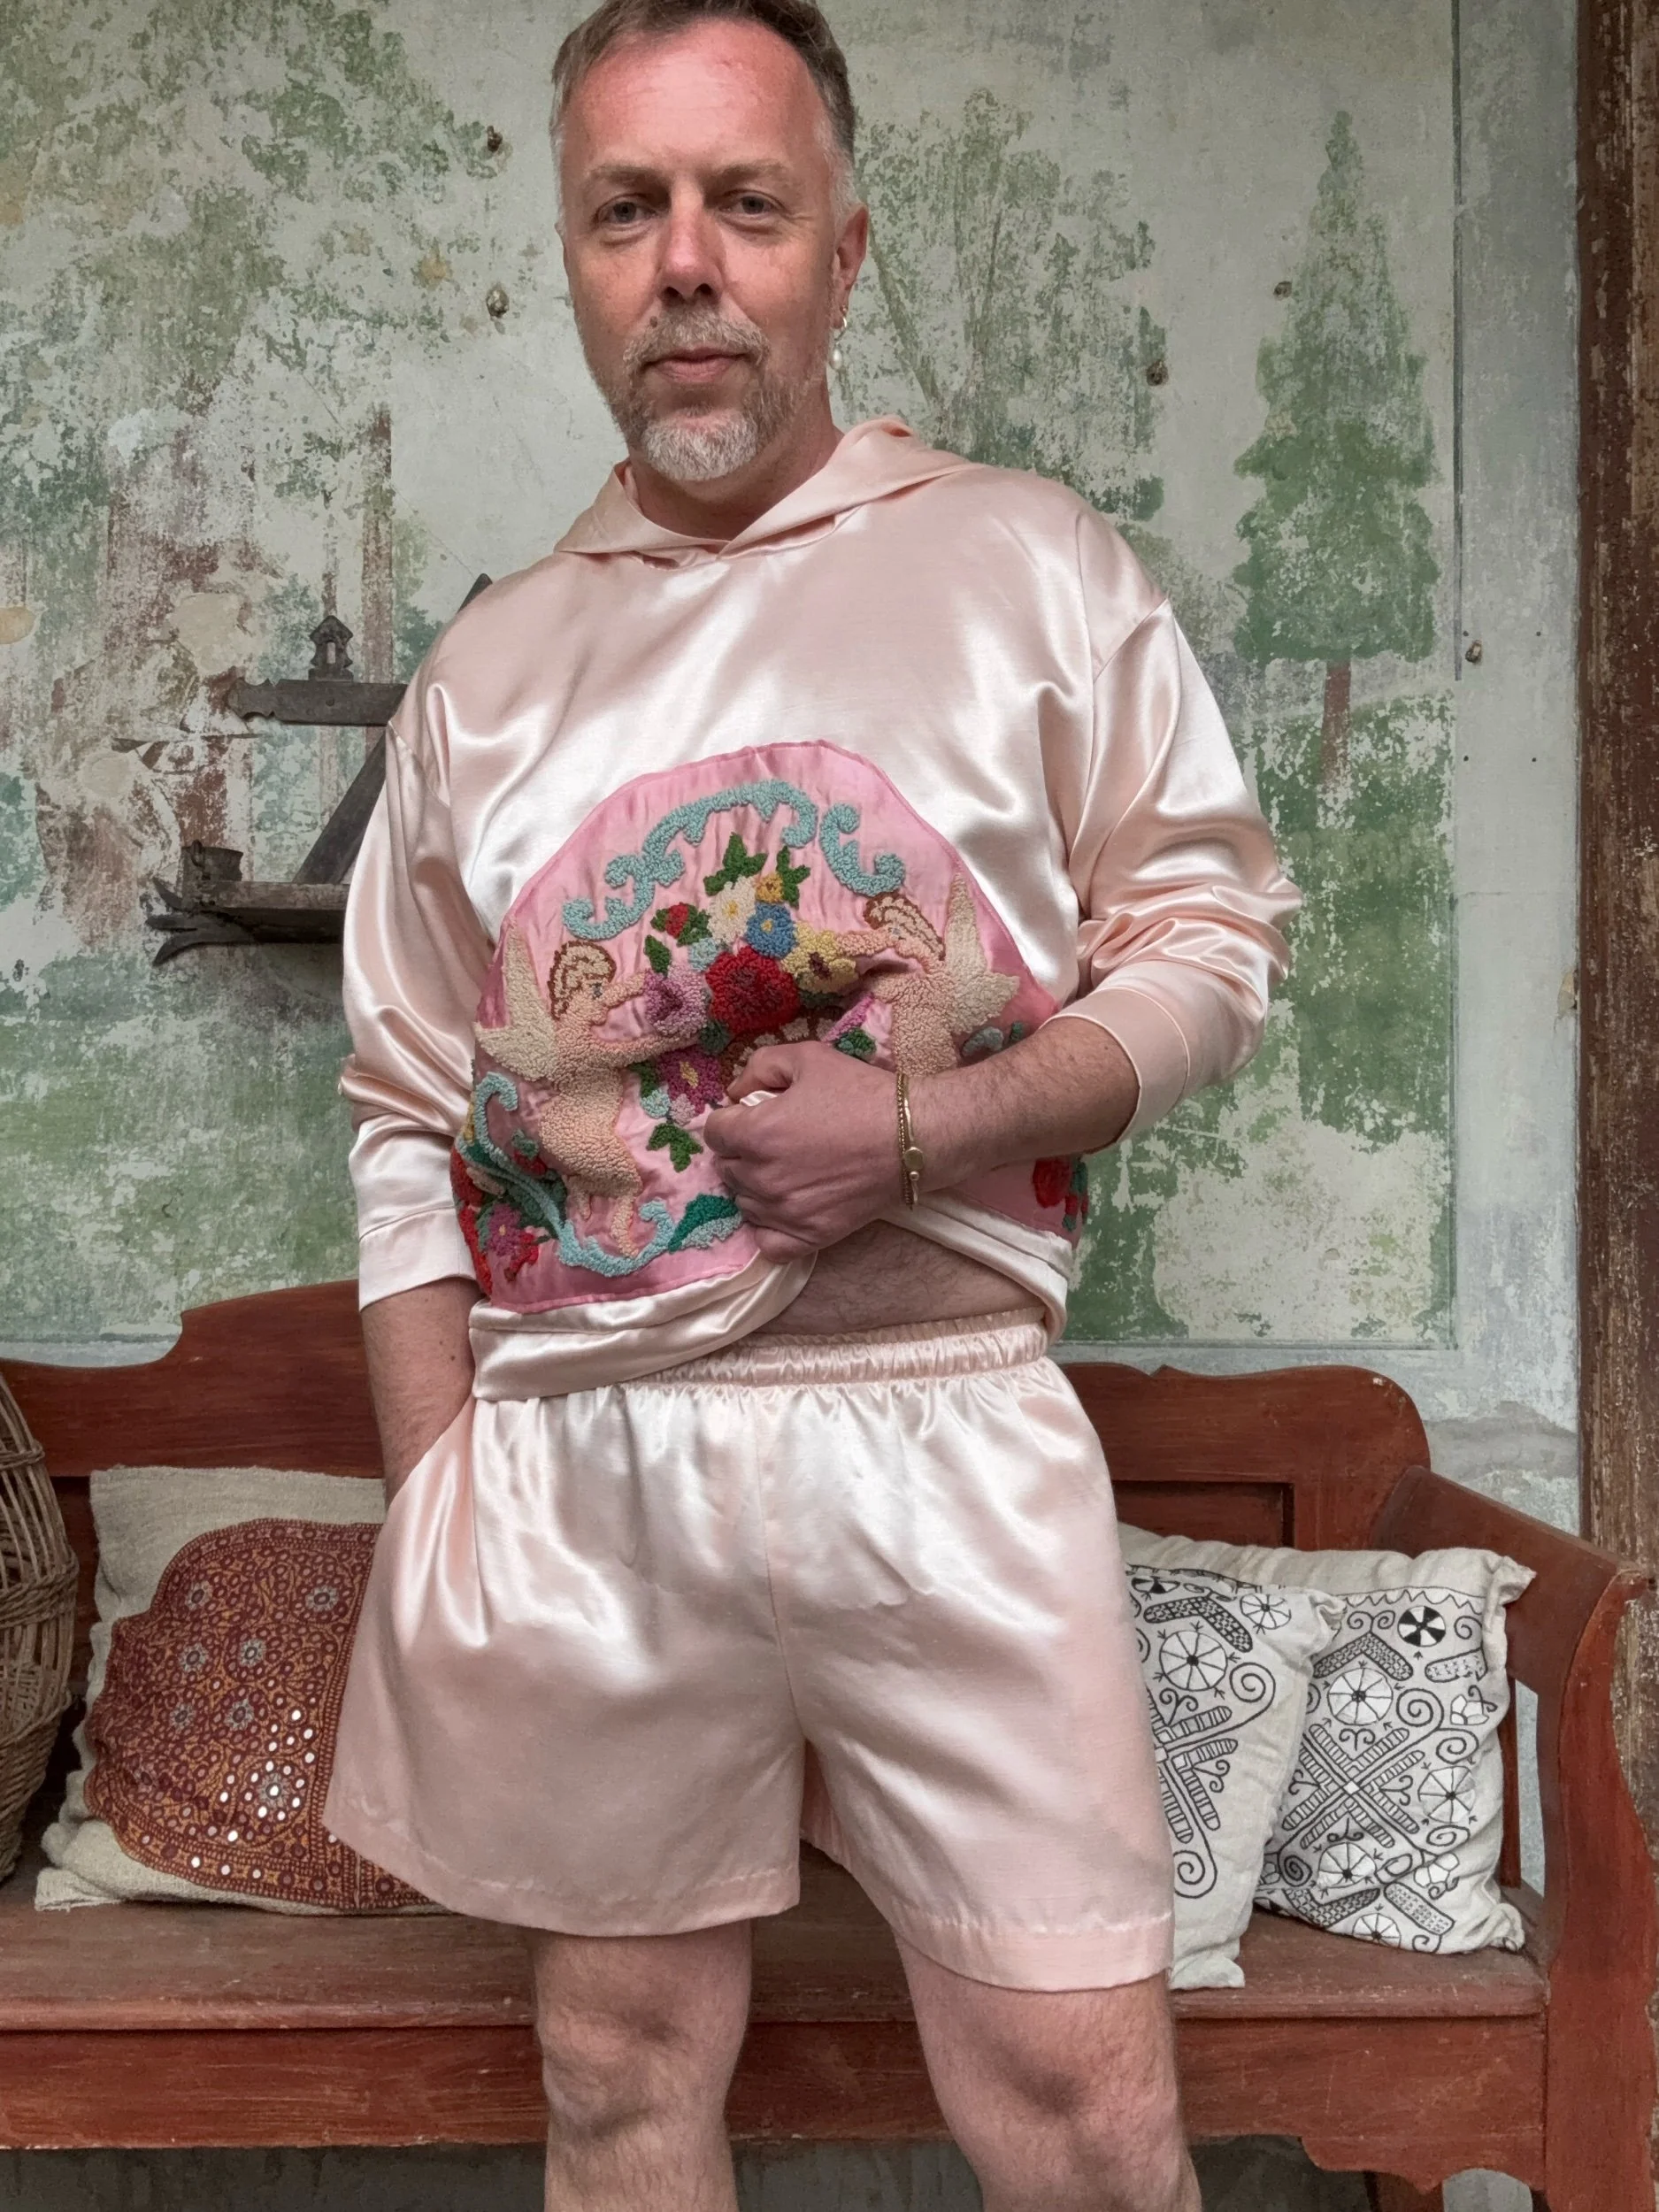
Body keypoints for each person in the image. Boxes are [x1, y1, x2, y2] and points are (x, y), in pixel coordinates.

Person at [326, 2, 1298, 2205]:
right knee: (613, 2074)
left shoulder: (1029, 564)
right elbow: (402, 1104)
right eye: (627, 210)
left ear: (840, 249)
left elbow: (1209, 942)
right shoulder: (486, 673)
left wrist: (927, 1128)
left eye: (744, 204)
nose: (685, 261)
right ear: (572, 261)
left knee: (1083, 2107)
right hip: (580, 1468)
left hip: (943, 1419)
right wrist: (439, 1485)